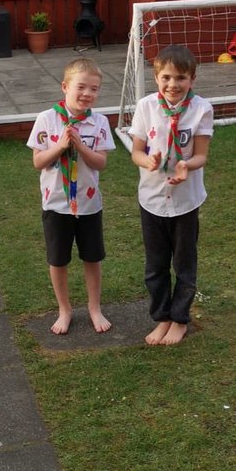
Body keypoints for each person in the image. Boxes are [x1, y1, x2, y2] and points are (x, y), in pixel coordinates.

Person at [130, 44, 213, 346]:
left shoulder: (201, 109)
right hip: (151, 199)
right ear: (156, 78)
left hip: (185, 201)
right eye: (166, 77)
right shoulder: (146, 107)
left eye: (180, 78)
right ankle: (162, 317)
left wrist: (185, 166)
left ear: (192, 79)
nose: (172, 85)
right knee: (155, 265)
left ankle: (179, 319)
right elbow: (137, 153)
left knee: (184, 263)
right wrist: (148, 161)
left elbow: (201, 155)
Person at [27, 57, 115, 335]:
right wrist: (62, 146)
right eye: (81, 87)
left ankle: (94, 307)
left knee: (92, 257)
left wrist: (80, 146)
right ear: (65, 87)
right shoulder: (46, 119)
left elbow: (100, 163)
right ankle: (64, 309)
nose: (87, 94)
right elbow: (38, 162)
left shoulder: (99, 122)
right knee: (58, 260)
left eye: (94, 89)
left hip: (89, 205)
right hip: (56, 204)